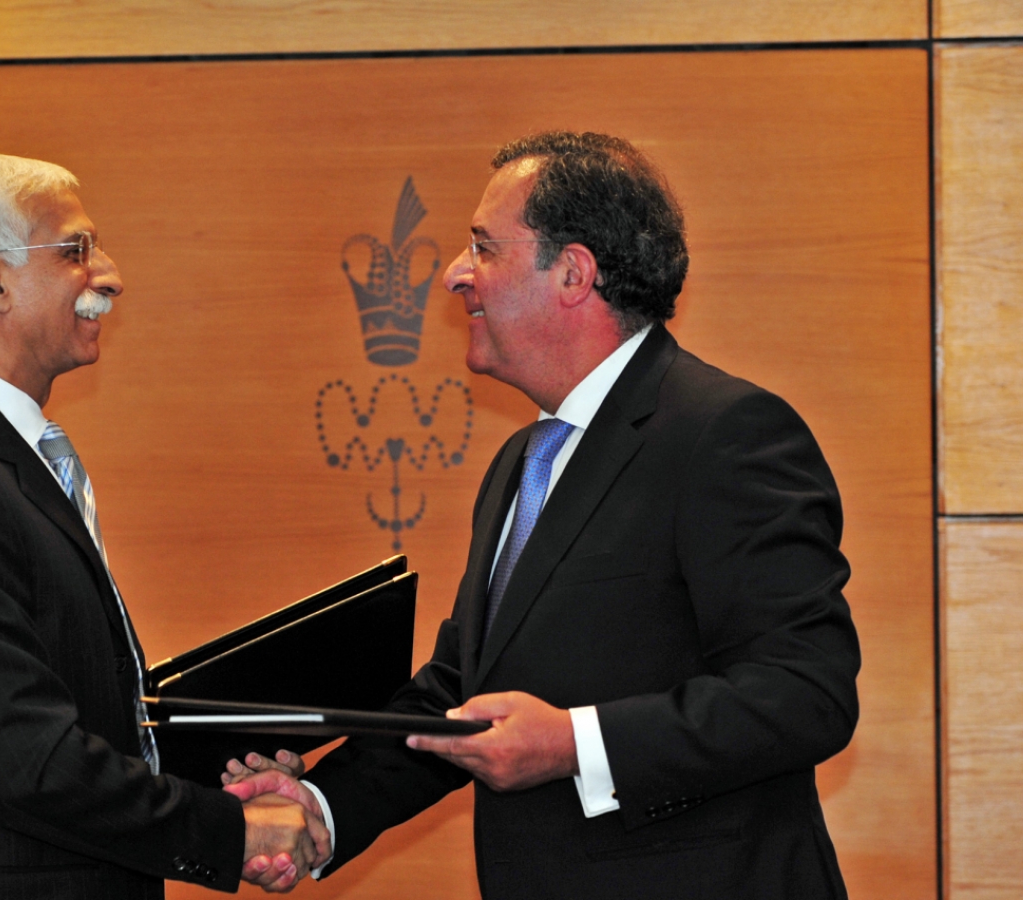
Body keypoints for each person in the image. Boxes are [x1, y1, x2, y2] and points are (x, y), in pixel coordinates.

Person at [224, 132, 861, 899]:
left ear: (573, 271)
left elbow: (805, 694)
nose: (458, 275)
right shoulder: (523, 462)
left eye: (483, 248)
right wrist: (326, 807)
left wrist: (574, 743)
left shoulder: (725, 433)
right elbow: (459, 701)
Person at [0, 153, 326, 899]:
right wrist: (226, 830)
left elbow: (72, 704)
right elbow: (28, 757)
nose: (110, 275)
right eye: (77, 251)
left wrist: (214, 772)